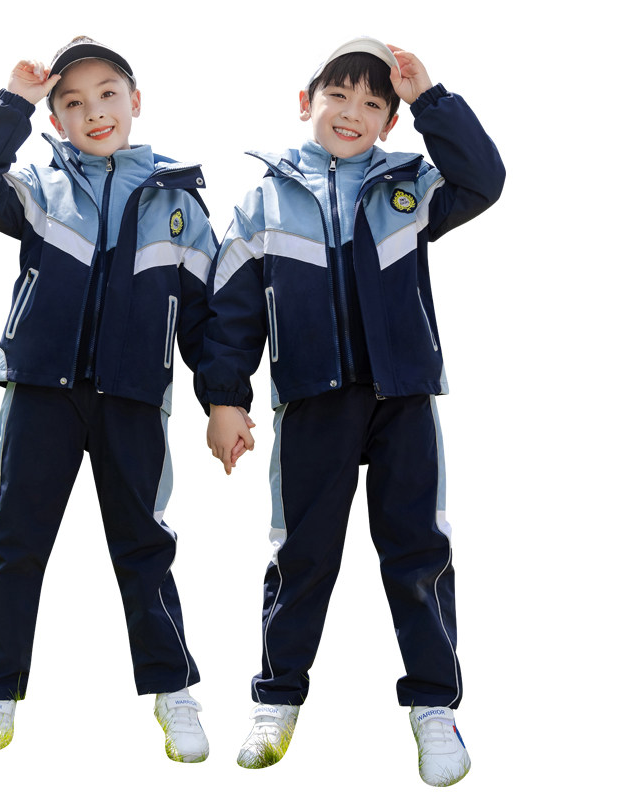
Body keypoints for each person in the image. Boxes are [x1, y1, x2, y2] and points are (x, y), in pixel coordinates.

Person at [198, 36, 504, 785]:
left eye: (373, 103)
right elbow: (231, 315)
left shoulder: (410, 187)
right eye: (338, 95)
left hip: (402, 400)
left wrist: (431, 99)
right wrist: (225, 400)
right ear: (307, 102)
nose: (353, 112)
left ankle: (434, 707)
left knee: (418, 553)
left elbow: (484, 178)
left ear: (390, 123)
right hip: (311, 403)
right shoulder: (264, 202)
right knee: (300, 557)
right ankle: (276, 700)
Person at [0, 35, 216, 762]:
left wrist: (222, 401)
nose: (94, 111)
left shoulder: (181, 203)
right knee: (16, 540)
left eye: (107, 95)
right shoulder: (39, 189)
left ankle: (173, 691)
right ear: (55, 119)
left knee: (146, 548)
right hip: (43, 389)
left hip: (135, 396)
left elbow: (206, 320)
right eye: (72, 102)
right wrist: (14, 100)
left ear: (136, 102)